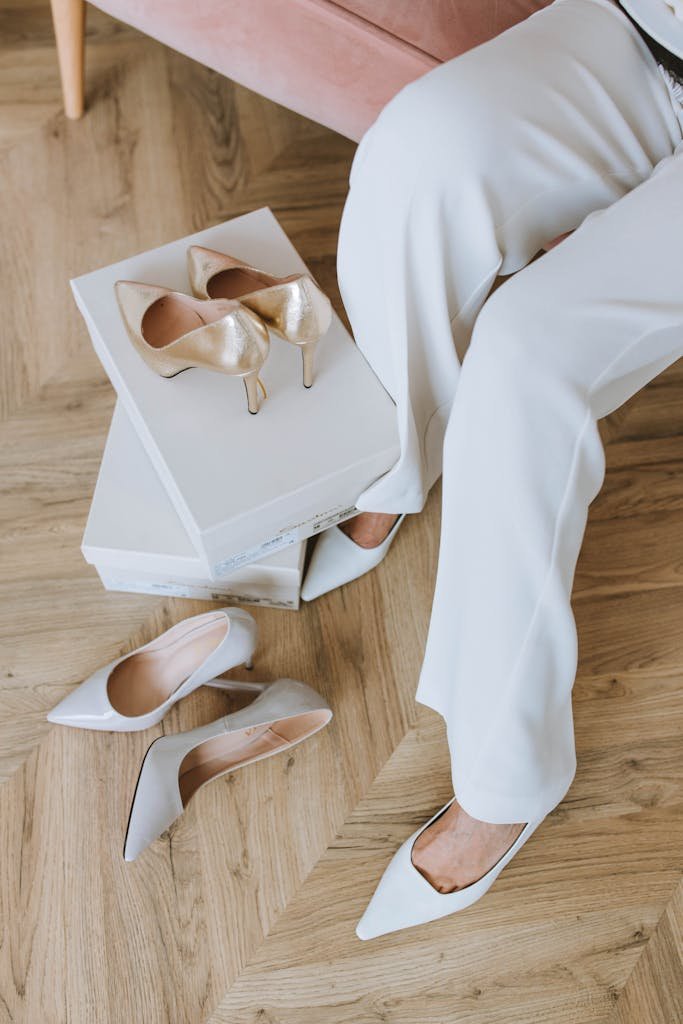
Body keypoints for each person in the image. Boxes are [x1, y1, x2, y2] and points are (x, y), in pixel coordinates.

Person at [301, 0, 683, 939]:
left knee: (526, 353)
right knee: (415, 155)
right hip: (651, 33)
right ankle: (395, 463)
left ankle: (505, 777)